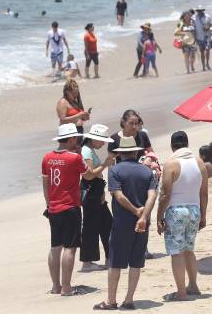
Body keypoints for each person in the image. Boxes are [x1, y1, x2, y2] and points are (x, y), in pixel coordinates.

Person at [93, 136, 158, 310]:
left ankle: (111, 300)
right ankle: (129, 300)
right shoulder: (147, 172)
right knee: (136, 262)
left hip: (122, 222)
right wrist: (143, 216)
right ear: (136, 152)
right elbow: (153, 196)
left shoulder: (115, 170)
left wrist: (136, 211)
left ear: (121, 153)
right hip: (142, 223)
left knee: (115, 262)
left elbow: (118, 195)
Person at [42, 123, 100, 296]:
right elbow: (89, 175)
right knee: (70, 247)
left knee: (55, 247)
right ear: (71, 138)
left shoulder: (47, 157)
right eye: (76, 138)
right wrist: (103, 164)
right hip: (70, 206)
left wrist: (49, 204)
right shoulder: (74, 158)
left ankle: (56, 286)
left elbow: (45, 184)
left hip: (54, 207)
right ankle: (66, 287)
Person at [156, 131, 209, 301]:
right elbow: (204, 193)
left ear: (172, 146)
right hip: (194, 210)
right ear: (187, 144)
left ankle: (181, 292)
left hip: (176, 211)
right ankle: (193, 285)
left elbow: (165, 194)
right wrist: (203, 215)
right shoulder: (199, 163)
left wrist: (159, 217)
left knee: (176, 252)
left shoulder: (171, 164)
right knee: (188, 251)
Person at [80, 124, 115, 271]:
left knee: (106, 224)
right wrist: (105, 164)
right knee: (91, 227)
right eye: (102, 141)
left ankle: (109, 257)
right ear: (94, 139)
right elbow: (88, 175)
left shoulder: (89, 150)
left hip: (95, 191)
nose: (103, 144)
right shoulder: (86, 151)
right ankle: (87, 262)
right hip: (91, 192)